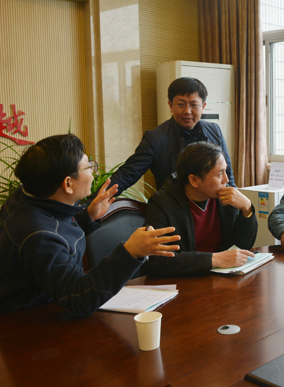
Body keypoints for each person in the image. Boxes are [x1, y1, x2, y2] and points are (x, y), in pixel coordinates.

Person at [0, 134, 180, 317]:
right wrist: (130, 252)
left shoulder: (25, 198)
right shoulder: (38, 235)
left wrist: (87, 217)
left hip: (49, 306)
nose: (94, 172)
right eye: (89, 166)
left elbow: (57, 237)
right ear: (68, 184)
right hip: (25, 322)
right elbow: (79, 298)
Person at [142, 141, 257, 277]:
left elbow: (241, 247)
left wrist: (247, 208)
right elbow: (157, 261)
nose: (226, 180)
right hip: (185, 280)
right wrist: (214, 259)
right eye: (219, 174)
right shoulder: (162, 203)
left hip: (221, 276)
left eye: (225, 171)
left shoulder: (225, 197)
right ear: (194, 180)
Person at [108, 77, 235, 195]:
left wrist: (235, 205)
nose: (187, 111)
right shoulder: (155, 138)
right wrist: (99, 199)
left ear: (203, 107)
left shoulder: (214, 131)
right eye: (181, 104)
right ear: (170, 105)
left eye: (194, 105)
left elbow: (227, 174)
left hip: (212, 205)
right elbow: (127, 174)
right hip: (174, 206)